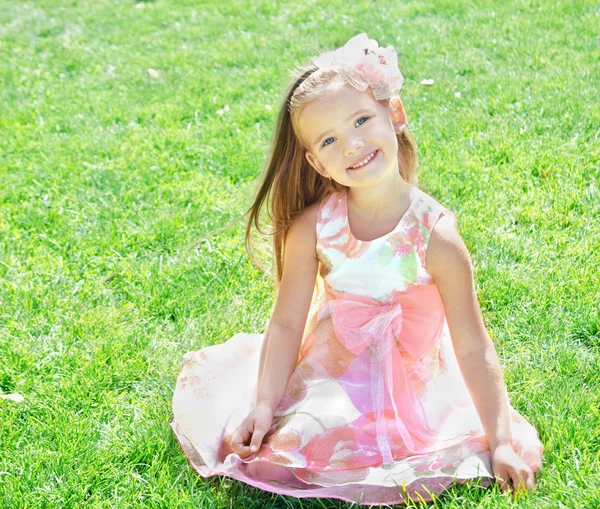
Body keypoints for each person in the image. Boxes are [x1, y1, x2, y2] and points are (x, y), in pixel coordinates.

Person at [170, 33, 544, 506]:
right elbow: (287, 322)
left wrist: (502, 441)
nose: (352, 145)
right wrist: (263, 404)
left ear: (397, 114)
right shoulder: (313, 228)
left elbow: (472, 346)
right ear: (316, 162)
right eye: (329, 140)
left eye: (362, 120)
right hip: (335, 368)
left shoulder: (437, 237)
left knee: (424, 443)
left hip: (416, 380)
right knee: (301, 437)